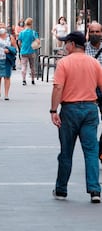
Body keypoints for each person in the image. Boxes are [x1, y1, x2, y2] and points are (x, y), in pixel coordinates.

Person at [50, 31, 102, 203]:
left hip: (70, 109)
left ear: (72, 44)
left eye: (66, 43)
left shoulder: (64, 63)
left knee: (66, 152)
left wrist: (53, 110)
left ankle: (61, 189)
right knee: (91, 151)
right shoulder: (94, 63)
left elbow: (58, 88)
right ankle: (95, 190)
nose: (65, 46)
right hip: (90, 108)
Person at [84, 21, 102, 163]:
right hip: (87, 89)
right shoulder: (82, 50)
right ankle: (93, 151)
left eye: (98, 32)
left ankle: (99, 150)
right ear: (88, 33)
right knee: (89, 125)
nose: (95, 34)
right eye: (92, 32)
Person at [0, 22, 17, 100]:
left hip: (7, 59)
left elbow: (15, 47)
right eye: (0, 27)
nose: (2, 28)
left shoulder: (10, 37)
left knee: (7, 76)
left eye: (3, 27)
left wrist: (9, 50)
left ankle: (6, 94)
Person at [18, 17, 40, 86]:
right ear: (31, 24)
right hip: (31, 51)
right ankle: (33, 80)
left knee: (24, 66)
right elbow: (38, 41)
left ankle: (24, 80)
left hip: (23, 51)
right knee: (32, 66)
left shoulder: (21, 33)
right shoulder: (33, 32)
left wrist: (22, 47)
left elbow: (19, 42)